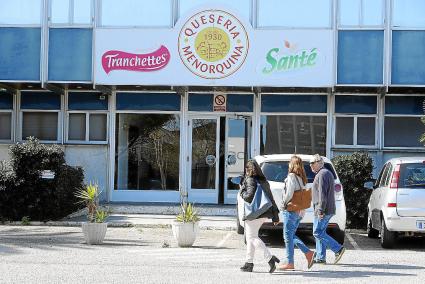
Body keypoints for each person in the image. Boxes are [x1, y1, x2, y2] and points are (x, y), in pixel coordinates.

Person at [239, 159, 280, 273]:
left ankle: (270, 258)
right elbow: (271, 198)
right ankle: (249, 263)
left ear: (248, 169)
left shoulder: (250, 180)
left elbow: (249, 196)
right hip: (263, 213)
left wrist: (241, 191)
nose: (246, 171)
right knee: (250, 238)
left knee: (252, 238)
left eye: (246, 169)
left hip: (253, 214)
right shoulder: (263, 180)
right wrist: (275, 215)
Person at [278, 155, 315, 271]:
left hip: (291, 210)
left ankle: (290, 262)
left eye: (290, 162)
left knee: (288, 237)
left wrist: (283, 204)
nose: (289, 164)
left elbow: (289, 193)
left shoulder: (291, 177)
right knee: (291, 235)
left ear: (292, 164)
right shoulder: (302, 178)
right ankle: (308, 254)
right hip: (300, 211)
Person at [310, 154, 346, 264]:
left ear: (318, 163)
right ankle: (321, 258)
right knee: (320, 232)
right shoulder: (325, 173)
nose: (310, 165)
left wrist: (320, 210)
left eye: (312, 163)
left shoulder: (322, 174)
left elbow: (322, 194)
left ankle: (338, 249)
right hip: (324, 209)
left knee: (317, 233)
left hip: (323, 210)